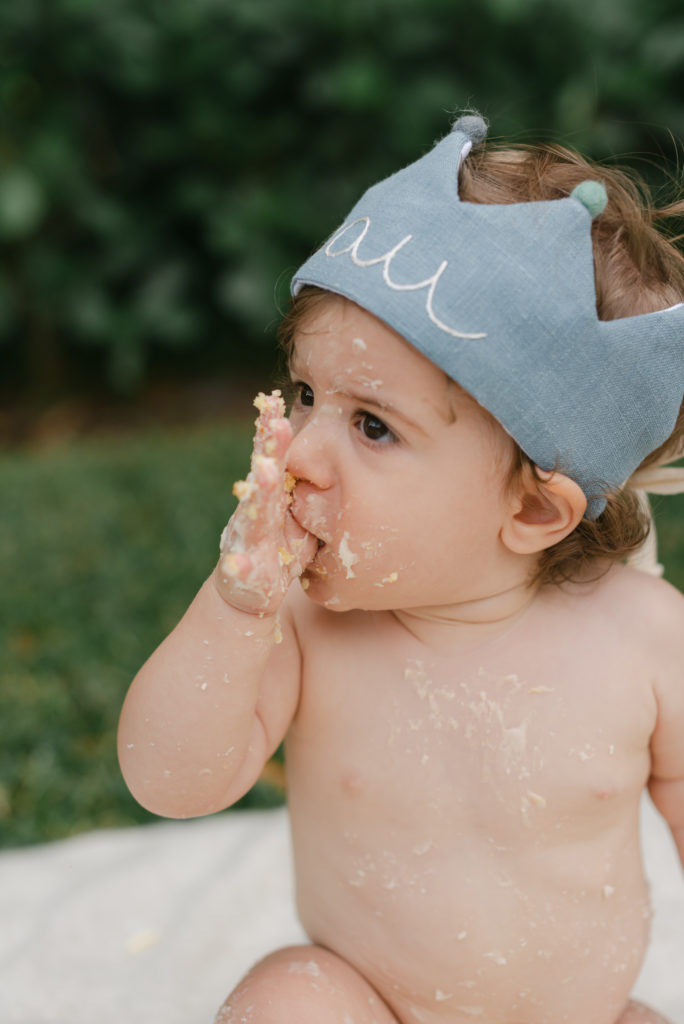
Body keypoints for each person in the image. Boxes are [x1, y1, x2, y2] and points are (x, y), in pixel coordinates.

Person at [118, 114, 684, 1024]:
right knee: (287, 1002)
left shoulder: (648, 640)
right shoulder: (304, 625)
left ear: (534, 509)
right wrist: (234, 606)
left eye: (373, 425)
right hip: (372, 1004)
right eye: (306, 395)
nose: (301, 449)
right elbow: (167, 779)